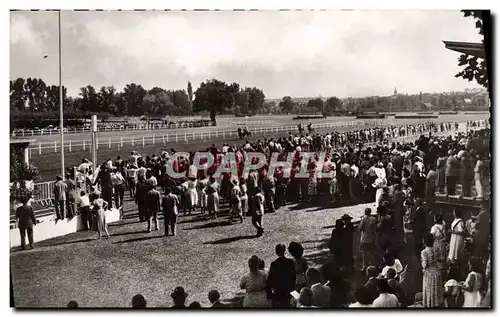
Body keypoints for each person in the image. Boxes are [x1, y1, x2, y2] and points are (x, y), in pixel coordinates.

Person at [421, 233, 443, 307]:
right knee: (436, 289)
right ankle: (436, 303)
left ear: (424, 241)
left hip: (429, 273)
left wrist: (423, 266)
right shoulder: (436, 249)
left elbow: (425, 265)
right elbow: (441, 259)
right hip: (437, 271)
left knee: (429, 289)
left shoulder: (424, 252)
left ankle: (430, 304)